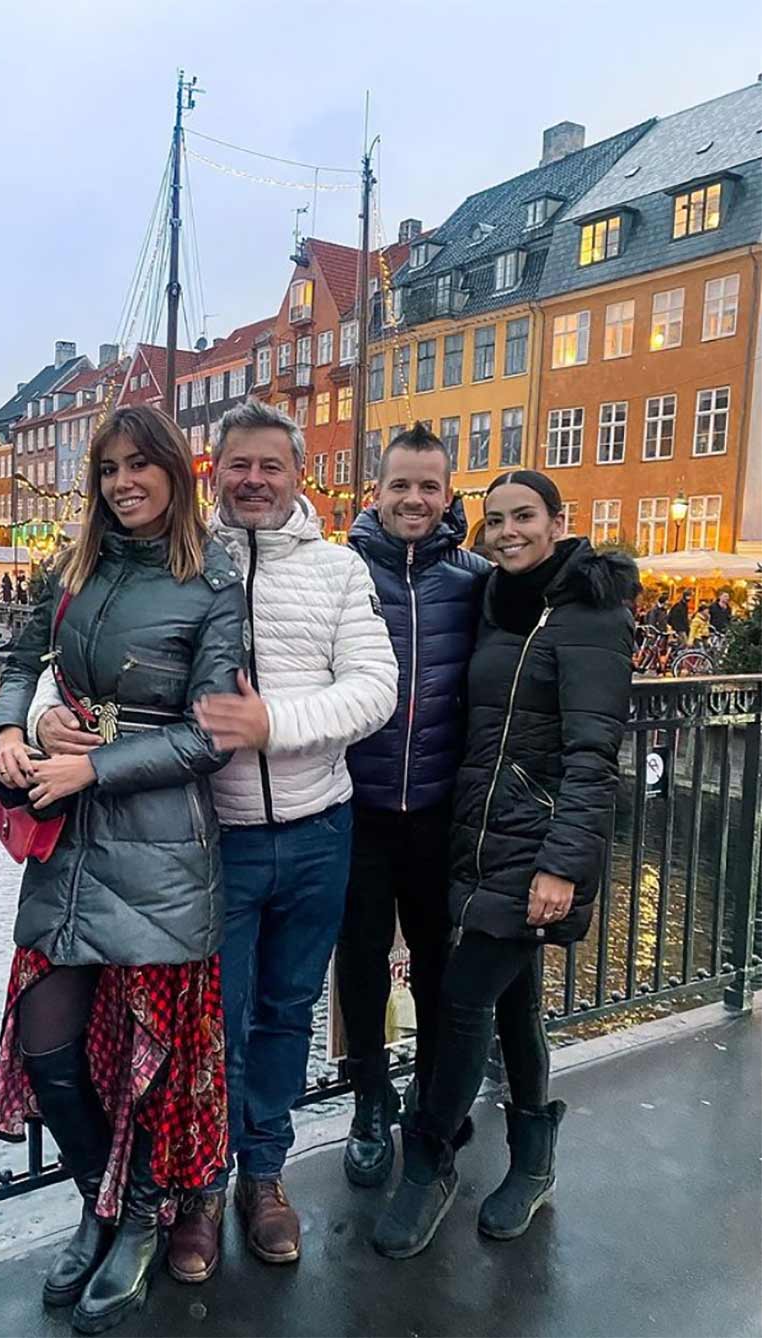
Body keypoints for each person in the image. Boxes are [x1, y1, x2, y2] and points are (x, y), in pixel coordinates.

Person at [0, 405, 247, 1334]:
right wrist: (10, 728)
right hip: (69, 839)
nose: (122, 483)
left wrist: (91, 763)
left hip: (161, 846)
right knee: (48, 1045)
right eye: (108, 469)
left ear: (174, 472)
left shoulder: (213, 578)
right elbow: (19, 664)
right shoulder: (74, 564)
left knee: (154, 1064)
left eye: (140, 466)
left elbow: (213, 730)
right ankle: (105, 1204)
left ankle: (140, 1221)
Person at [373, 469, 636, 1260]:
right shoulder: (498, 600)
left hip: (538, 850)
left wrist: (562, 866)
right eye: (495, 521)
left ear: (560, 521)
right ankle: (533, 1157)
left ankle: (430, 1158)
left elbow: (594, 757)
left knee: (460, 1000)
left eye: (525, 517)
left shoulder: (592, 613)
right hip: (478, 839)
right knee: (514, 1001)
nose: (509, 531)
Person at [163, 397, 397, 1282]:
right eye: (239, 466)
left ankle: (263, 1177)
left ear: (299, 476)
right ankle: (199, 1186)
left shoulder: (337, 571)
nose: (254, 480)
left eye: (271, 466)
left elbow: (376, 686)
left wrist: (276, 724)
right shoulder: (184, 563)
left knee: (287, 1015)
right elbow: (92, 657)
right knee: (214, 1024)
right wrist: (37, 719)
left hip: (314, 831)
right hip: (208, 841)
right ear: (213, 473)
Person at [336, 422, 487, 1188]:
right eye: (402, 485)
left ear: (449, 494)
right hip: (355, 805)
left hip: (438, 808)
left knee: (438, 964)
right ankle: (369, 1098)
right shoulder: (342, 573)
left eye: (430, 486)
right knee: (359, 961)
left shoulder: (473, 579)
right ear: (377, 492)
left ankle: (431, 1093)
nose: (415, 499)